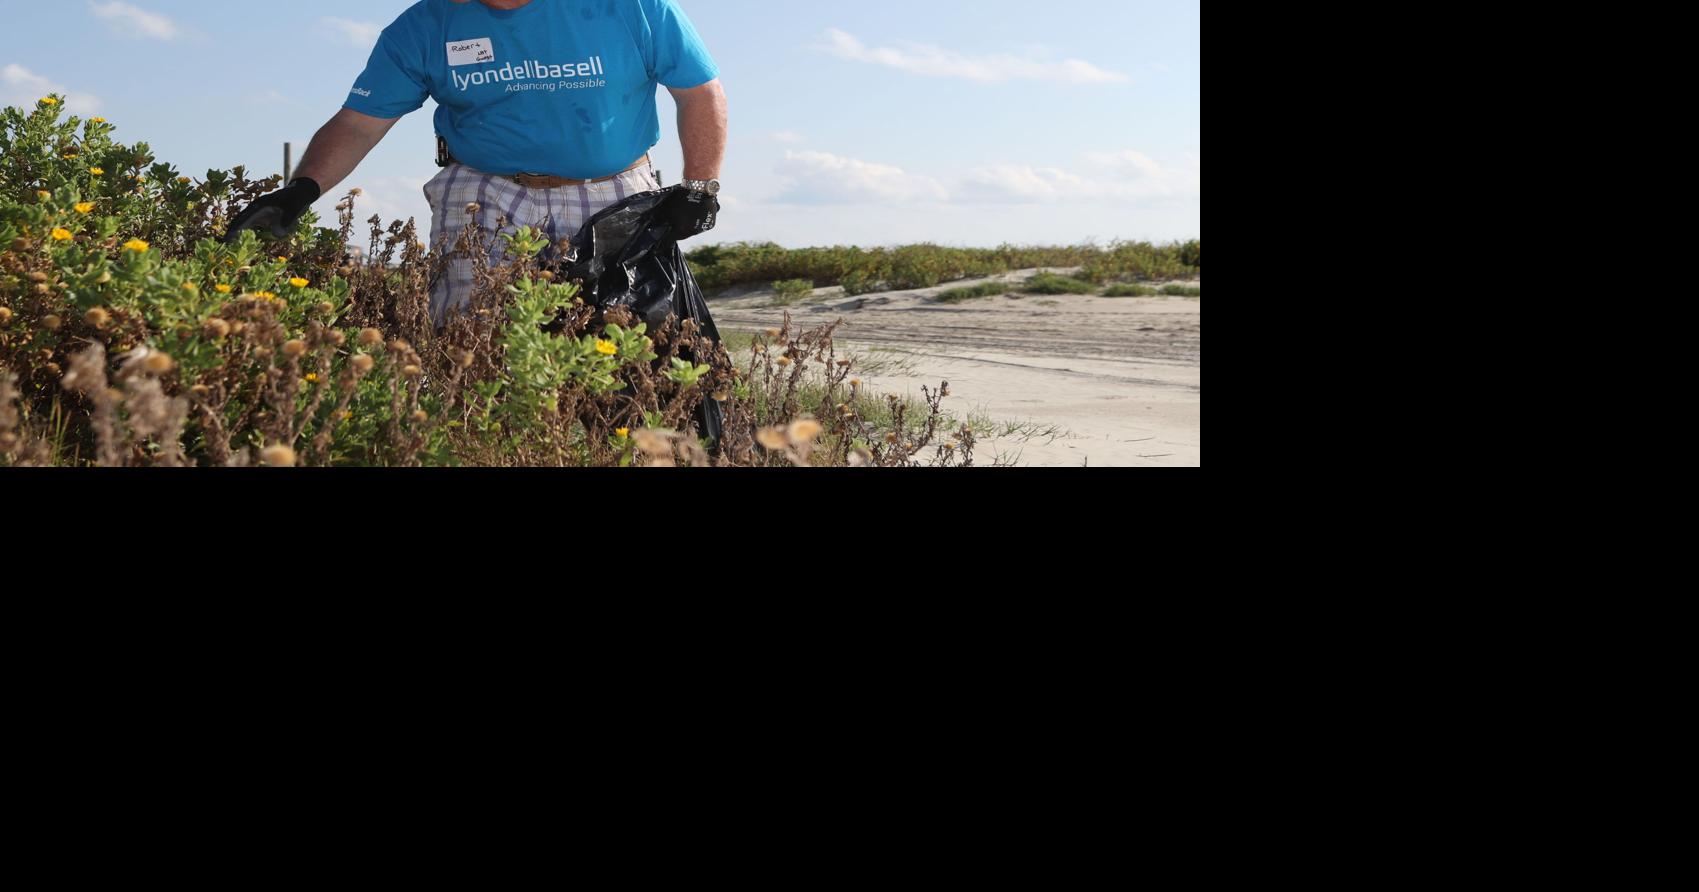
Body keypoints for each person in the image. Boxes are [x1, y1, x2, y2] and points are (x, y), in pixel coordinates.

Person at [220, 0, 727, 329]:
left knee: (623, 332)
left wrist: (700, 186)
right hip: (484, 190)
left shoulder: (633, 7)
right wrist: (300, 191)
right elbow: (359, 123)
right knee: (469, 331)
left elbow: (699, 92)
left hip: (612, 190)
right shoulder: (423, 25)